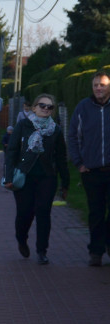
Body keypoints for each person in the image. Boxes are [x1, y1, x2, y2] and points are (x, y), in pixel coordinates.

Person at [3, 92, 69, 266]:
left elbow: (61, 157)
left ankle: (42, 250)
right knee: (25, 213)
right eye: (42, 106)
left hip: (47, 178)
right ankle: (21, 239)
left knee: (43, 213)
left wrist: (65, 182)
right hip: (24, 176)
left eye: (50, 107)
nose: (46, 109)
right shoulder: (23, 125)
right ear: (34, 108)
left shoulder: (55, 130)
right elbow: (12, 152)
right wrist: (8, 176)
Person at [68, 69, 110, 266]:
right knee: (96, 213)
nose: (99, 88)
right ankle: (96, 252)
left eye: (102, 85)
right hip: (91, 171)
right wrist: (79, 162)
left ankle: (107, 242)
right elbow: (73, 137)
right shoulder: (83, 108)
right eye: (95, 85)